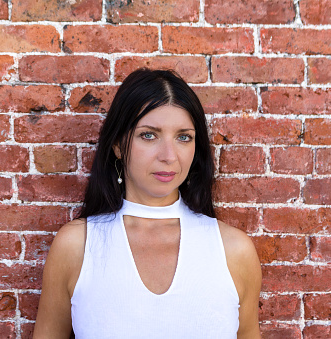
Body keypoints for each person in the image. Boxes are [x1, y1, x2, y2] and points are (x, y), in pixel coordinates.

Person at [33, 69, 261, 338]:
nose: (168, 156)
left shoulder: (234, 251)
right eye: (149, 135)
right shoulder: (77, 246)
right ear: (118, 144)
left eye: (183, 137)